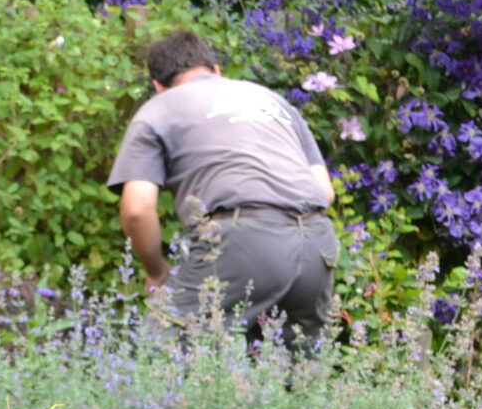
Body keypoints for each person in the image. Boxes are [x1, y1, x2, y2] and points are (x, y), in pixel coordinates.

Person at [106, 29, 339, 345]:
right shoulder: (274, 102)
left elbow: (136, 209)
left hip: (242, 240)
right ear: (216, 70)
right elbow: (324, 192)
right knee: (299, 374)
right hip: (316, 241)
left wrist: (158, 271)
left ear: (158, 86)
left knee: (159, 353)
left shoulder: (159, 109)